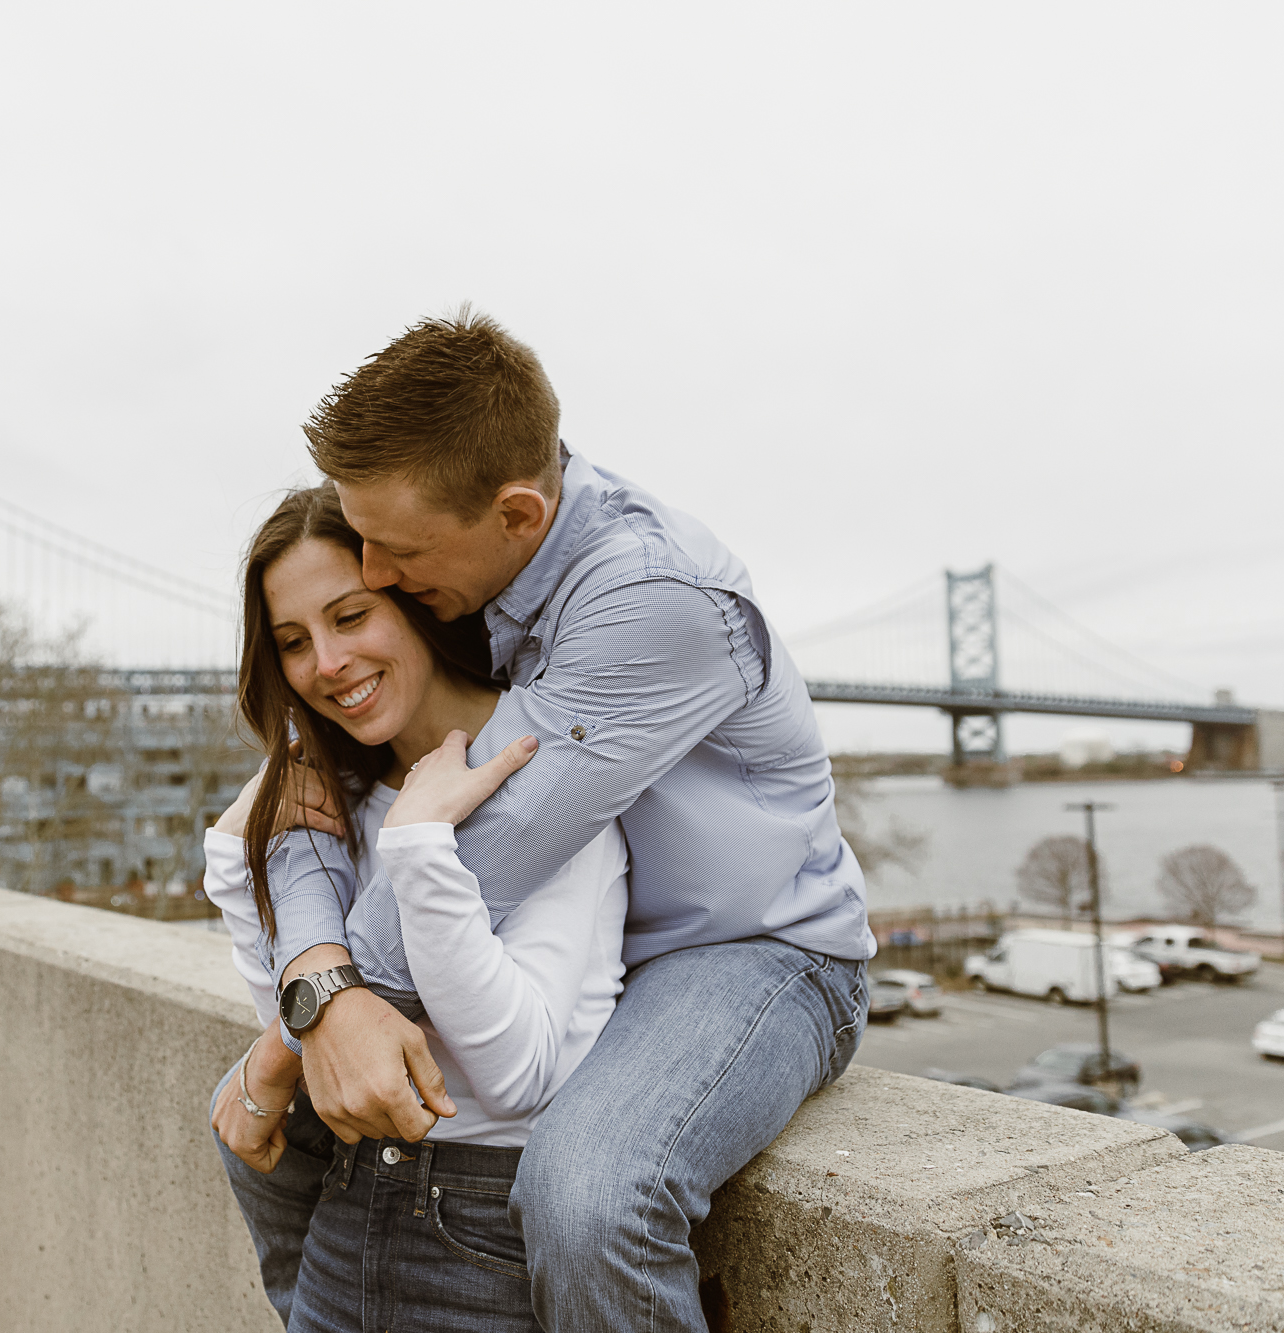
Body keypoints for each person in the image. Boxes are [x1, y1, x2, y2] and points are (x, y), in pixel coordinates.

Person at [233, 309, 873, 1332]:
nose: (377, 575)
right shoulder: (463, 563)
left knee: (587, 1196)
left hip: (746, 953)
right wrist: (312, 979)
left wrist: (307, 1014)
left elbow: (485, 846)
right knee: (263, 1128)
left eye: (392, 553)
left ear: (519, 513)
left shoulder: (648, 599)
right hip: (584, 953)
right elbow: (297, 796)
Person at [207, 485, 629, 1331]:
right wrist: (237, 842)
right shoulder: (326, 802)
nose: (326, 662)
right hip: (344, 1208)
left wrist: (419, 848)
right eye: (293, 641)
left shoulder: (542, 776)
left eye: (351, 616)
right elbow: (316, 1035)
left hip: (484, 1234)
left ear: (414, 605)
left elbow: (515, 1075)